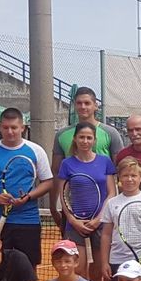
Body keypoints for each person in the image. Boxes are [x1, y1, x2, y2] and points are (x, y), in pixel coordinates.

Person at [0, 107, 53, 268]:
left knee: (28, 267)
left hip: (28, 220)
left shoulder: (36, 151)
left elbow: (48, 182)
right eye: (6, 127)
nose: (10, 131)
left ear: (22, 127)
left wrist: (28, 197)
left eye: (14, 127)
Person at [50, 86, 124, 229]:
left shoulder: (111, 133)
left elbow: (120, 169)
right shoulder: (61, 135)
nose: (83, 107)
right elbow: (56, 172)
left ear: (95, 106)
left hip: (103, 209)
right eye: (79, 103)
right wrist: (54, 207)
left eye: (87, 103)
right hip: (74, 207)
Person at [56, 121, 118, 281]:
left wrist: (99, 219)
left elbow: (112, 193)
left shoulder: (105, 162)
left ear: (94, 141)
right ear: (75, 139)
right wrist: (72, 220)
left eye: (89, 138)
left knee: (98, 272)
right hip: (75, 224)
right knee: (78, 270)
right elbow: (63, 194)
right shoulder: (67, 164)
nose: (85, 141)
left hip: (101, 223)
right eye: (81, 137)